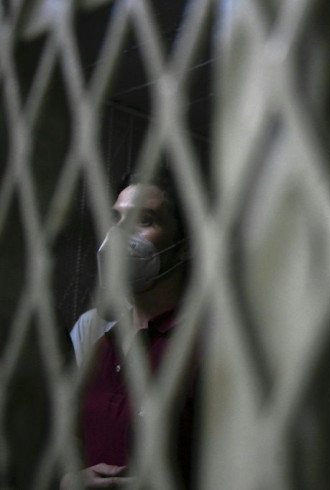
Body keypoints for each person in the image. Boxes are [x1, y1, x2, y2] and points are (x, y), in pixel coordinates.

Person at [60, 168, 197, 489]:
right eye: (116, 219)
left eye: (144, 220)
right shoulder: (102, 345)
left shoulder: (203, 344)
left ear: (185, 245)